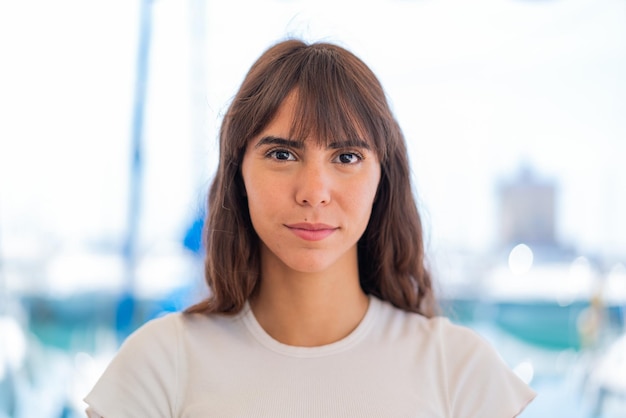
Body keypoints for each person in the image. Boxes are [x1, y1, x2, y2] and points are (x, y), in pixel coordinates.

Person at [84, 38, 536, 417]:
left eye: (346, 157)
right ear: (237, 171)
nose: (314, 192)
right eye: (282, 154)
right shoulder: (159, 366)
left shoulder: (461, 371)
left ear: (384, 179)